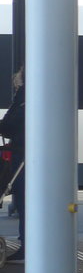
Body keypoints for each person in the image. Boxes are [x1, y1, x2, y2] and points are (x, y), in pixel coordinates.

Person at [0, 66, 24, 261]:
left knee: (25, 200)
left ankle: (27, 244)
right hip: (26, 153)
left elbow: (8, 125)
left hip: (23, 155)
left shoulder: (24, 98)